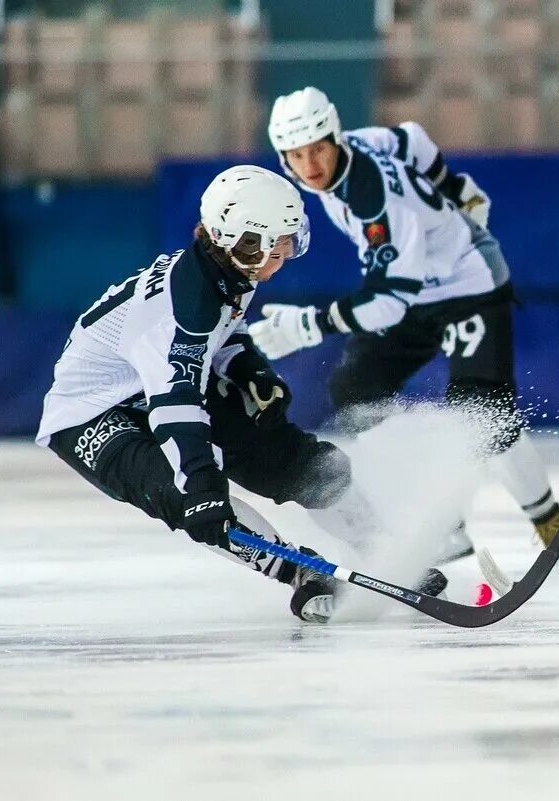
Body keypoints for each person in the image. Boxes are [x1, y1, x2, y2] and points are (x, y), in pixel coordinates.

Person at [35, 165, 445, 623]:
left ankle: (383, 547)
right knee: (190, 496)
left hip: (158, 383)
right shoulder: (179, 309)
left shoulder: (229, 268)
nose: (287, 253)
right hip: (91, 415)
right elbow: (176, 406)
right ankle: (303, 576)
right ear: (245, 242)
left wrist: (247, 367)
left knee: (287, 457)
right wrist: (201, 484)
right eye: (279, 243)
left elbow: (222, 331)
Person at [248, 87, 559, 577]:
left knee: (484, 416)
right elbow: (410, 139)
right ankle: (447, 524)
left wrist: (312, 323)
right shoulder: (361, 144)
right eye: (297, 155)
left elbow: (389, 303)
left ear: (334, 139)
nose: (311, 165)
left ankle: (552, 529)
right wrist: (451, 185)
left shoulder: (373, 198)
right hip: (413, 288)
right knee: (355, 390)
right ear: (284, 157)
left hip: (466, 284)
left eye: (318, 149)